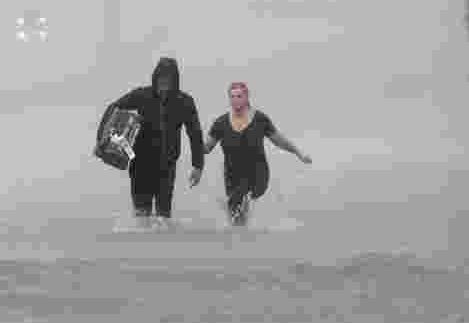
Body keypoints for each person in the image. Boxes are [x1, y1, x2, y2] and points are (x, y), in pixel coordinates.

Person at [95, 57, 205, 222]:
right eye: (161, 79)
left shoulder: (184, 102)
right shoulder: (142, 95)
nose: (164, 84)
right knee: (141, 217)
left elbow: (195, 134)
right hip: (140, 166)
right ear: (155, 78)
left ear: (175, 81)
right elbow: (114, 107)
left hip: (167, 168)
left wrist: (198, 165)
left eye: (168, 80)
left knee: (163, 219)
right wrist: (102, 138)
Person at [204, 82, 312, 225]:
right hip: (232, 176)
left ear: (247, 97)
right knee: (236, 216)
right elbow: (206, 148)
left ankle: (243, 217)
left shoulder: (260, 119)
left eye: (239, 96)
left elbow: (279, 141)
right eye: (232, 97)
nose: (235, 99)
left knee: (241, 200)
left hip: (257, 173)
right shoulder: (221, 123)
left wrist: (299, 153)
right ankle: (241, 235)